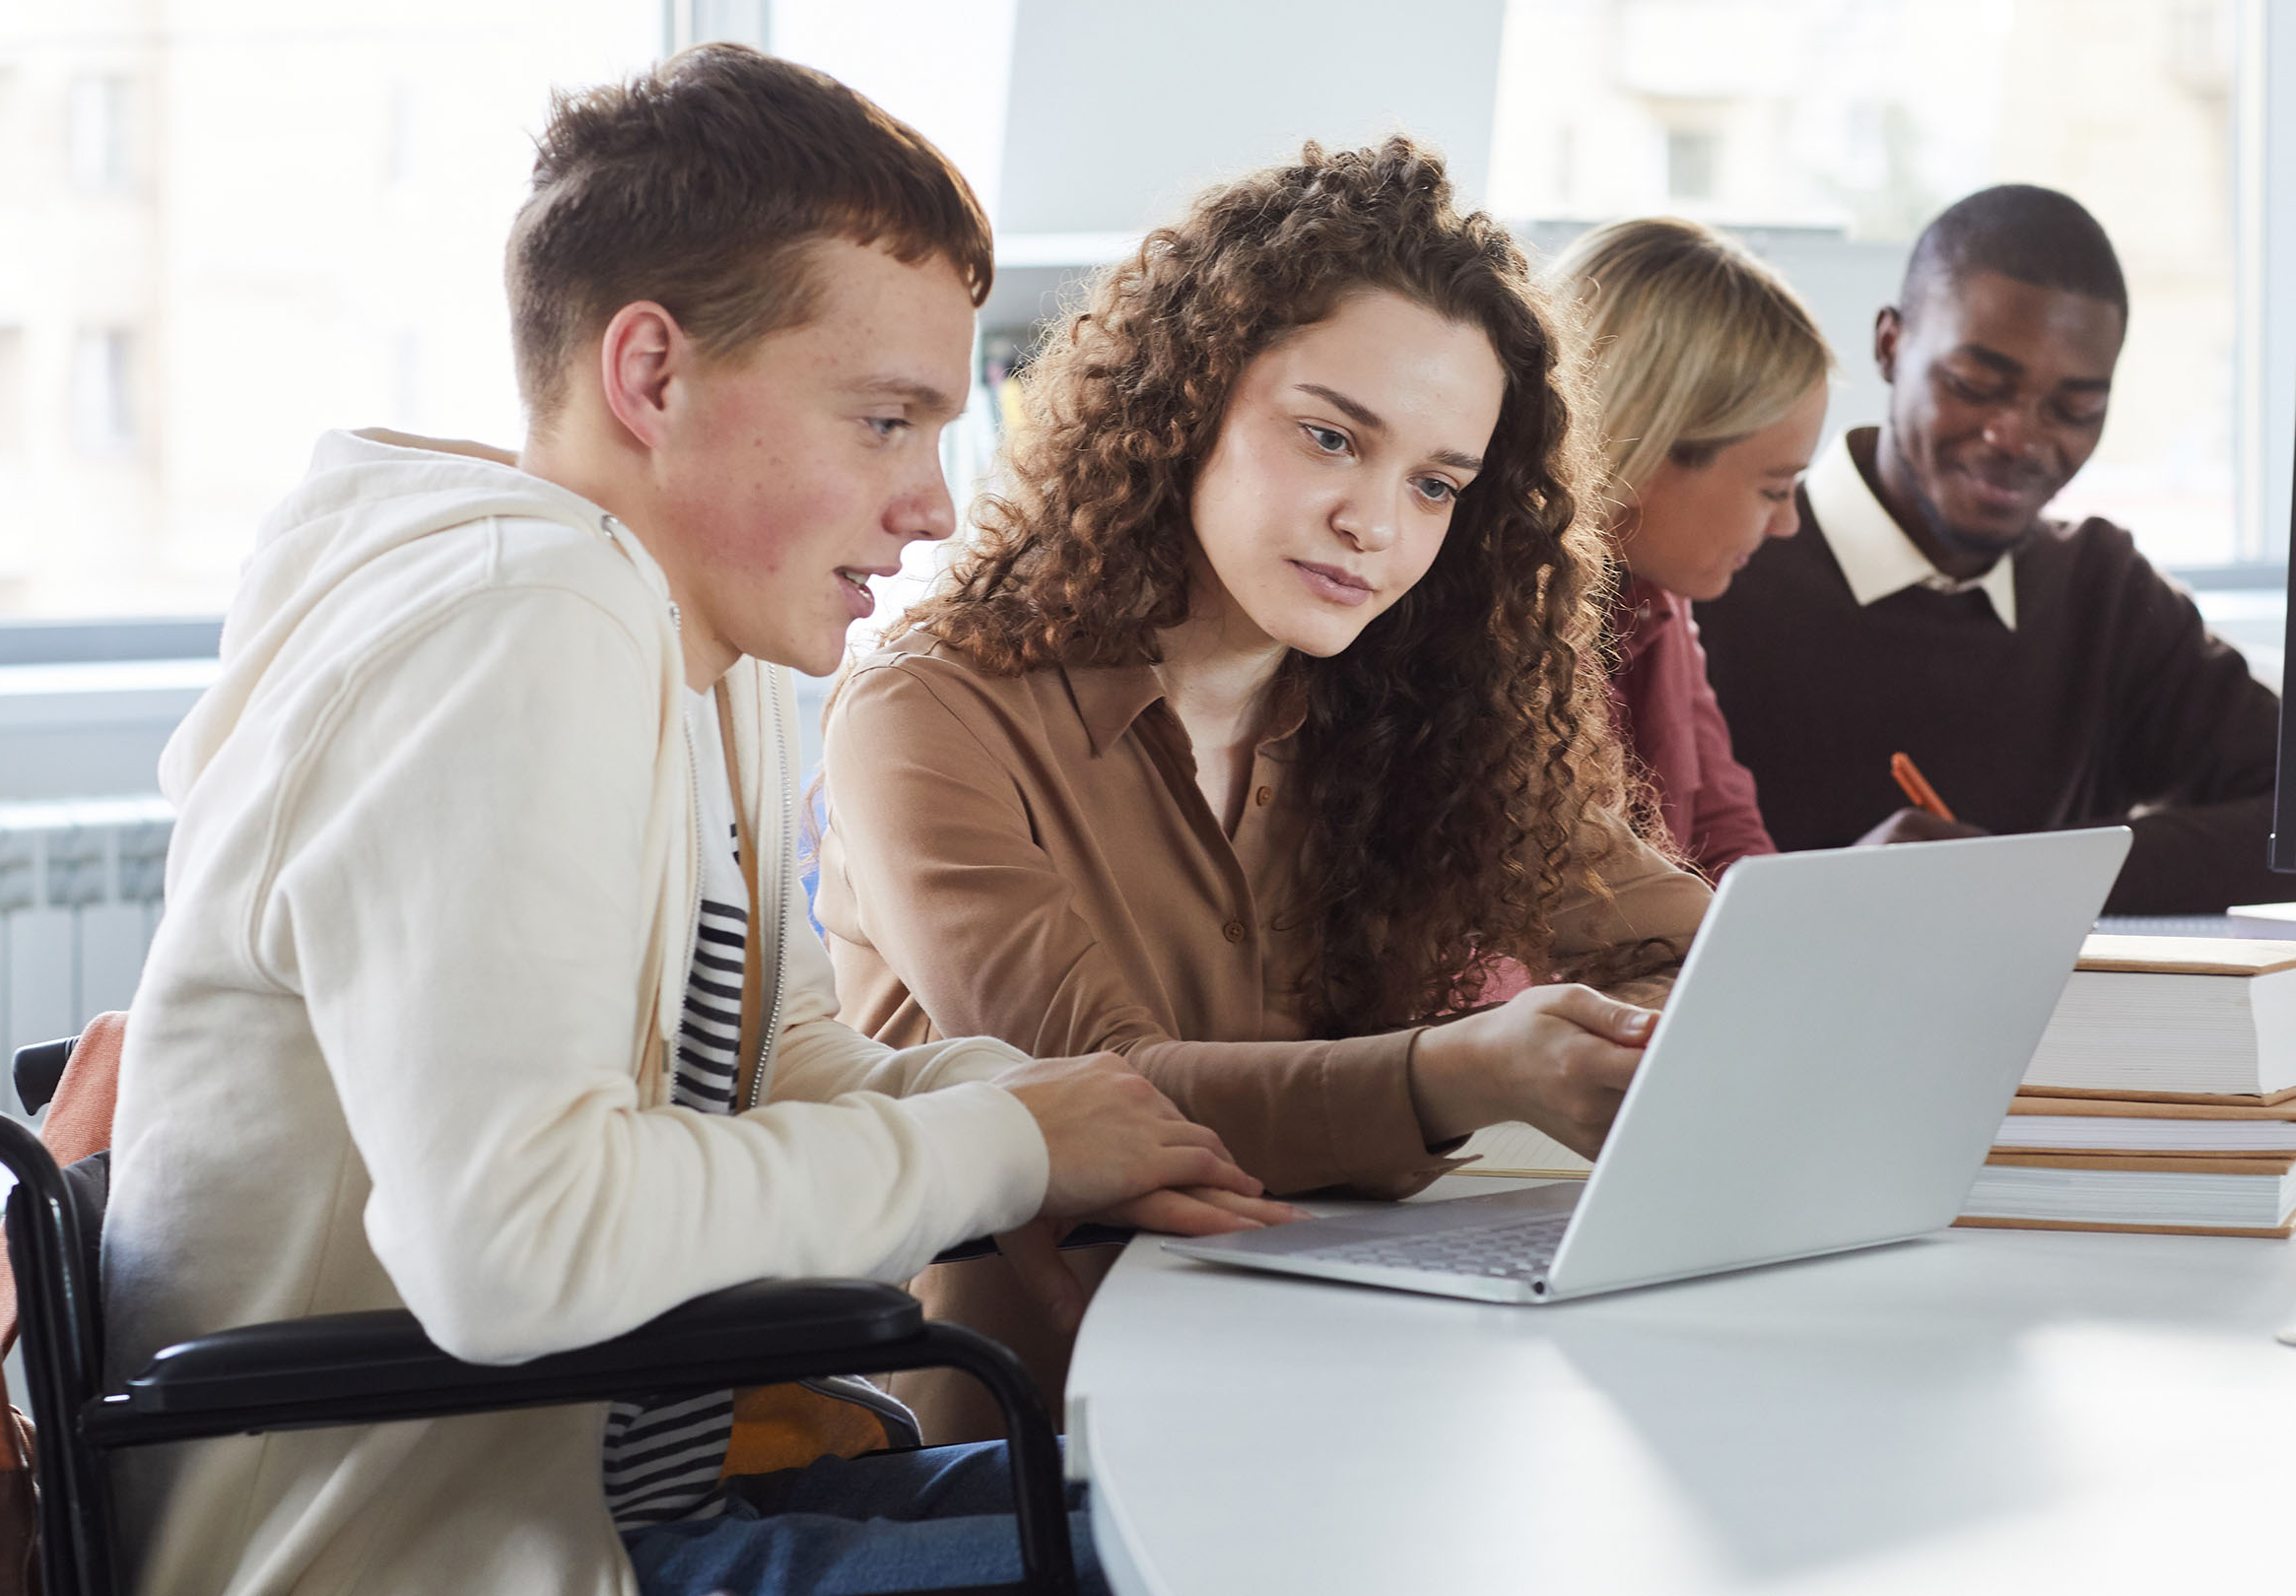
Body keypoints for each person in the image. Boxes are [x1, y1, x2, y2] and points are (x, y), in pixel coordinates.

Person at [102, 46, 1289, 1596]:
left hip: (636, 1518)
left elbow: (790, 1078)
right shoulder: (524, 616)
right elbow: (513, 1248)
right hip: (440, 1566)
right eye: (884, 421)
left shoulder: (696, 643)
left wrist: (1067, 1119)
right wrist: (1005, 1145)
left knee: (1251, 1496)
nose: (933, 502)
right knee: (1262, 1549)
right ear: (651, 376)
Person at [814, 139, 1712, 1440]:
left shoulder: (1430, 704)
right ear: (1185, 403)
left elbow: (1679, 948)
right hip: (1017, 1460)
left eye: (1435, 484)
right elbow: (1105, 1101)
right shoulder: (928, 709)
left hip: (1346, 1390)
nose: (1376, 522)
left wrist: (1630, 1037)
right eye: (1330, 437)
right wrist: (1466, 1075)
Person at [1693, 184, 2296, 913]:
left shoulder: (2102, 595)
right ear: (1889, 345)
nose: (2019, 437)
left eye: (2075, 409)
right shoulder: (1717, 573)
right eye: (1975, 384)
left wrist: (2018, 877)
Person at [1547, 217, 1833, 876]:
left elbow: (1725, 840)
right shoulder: (1479, 626)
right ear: (1643, 455)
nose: (1788, 523)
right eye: (1773, 488)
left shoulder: (1659, 603)